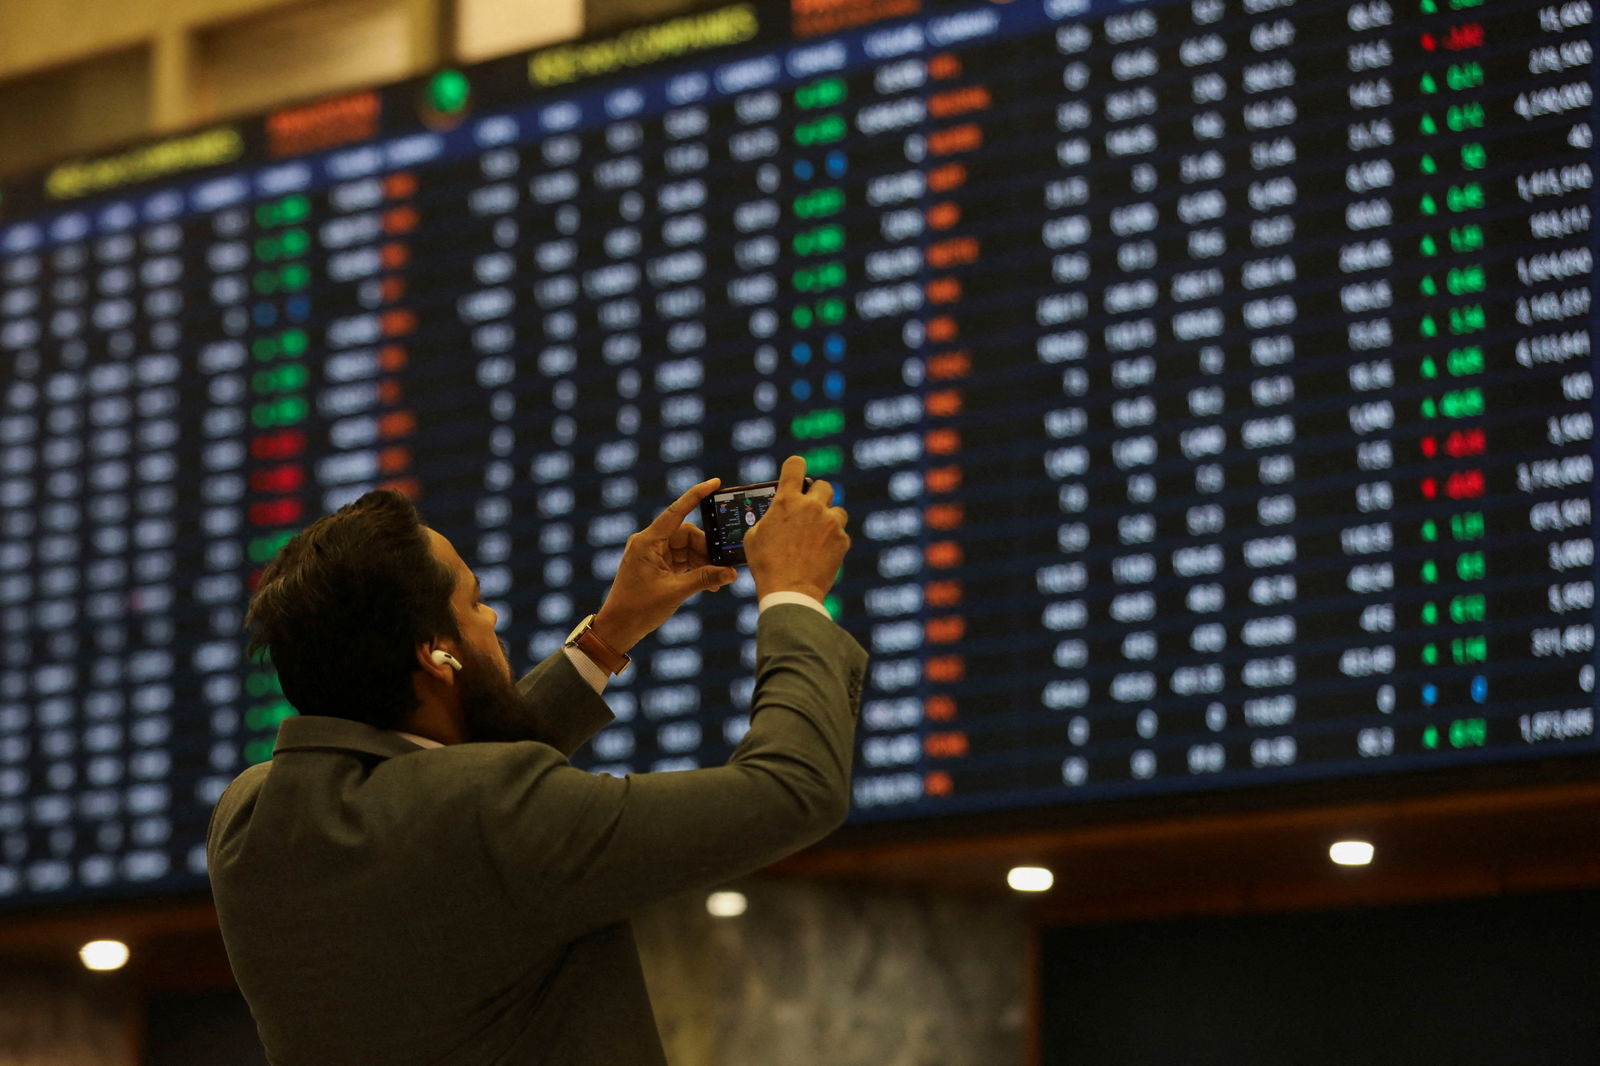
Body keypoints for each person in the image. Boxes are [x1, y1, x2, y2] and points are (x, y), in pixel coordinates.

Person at [207, 456, 863, 1065]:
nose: (490, 619)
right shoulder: (488, 813)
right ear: (438, 656)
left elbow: (433, 796)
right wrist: (795, 595)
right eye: (474, 603)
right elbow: (794, 788)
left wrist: (610, 633)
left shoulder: (249, 819)